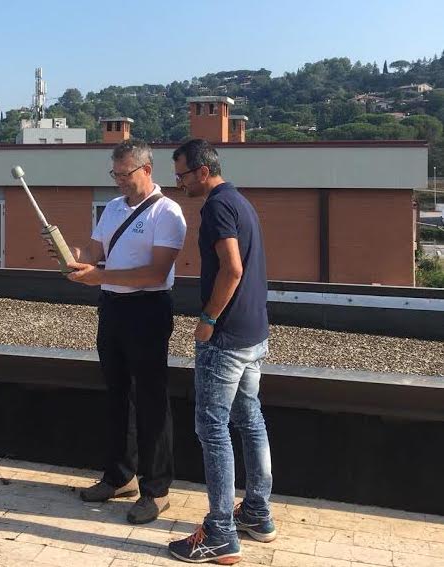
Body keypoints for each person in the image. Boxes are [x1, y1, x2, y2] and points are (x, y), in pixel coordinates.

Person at [57, 139, 187, 525]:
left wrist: (99, 276)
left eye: (125, 174)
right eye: (114, 174)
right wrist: (71, 257)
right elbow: (94, 254)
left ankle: (157, 489)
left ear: (146, 170)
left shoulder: (168, 212)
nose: (119, 181)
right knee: (117, 394)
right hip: (112, 306)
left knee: (150, 398)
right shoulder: (113, 208)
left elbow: (155, 273)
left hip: (148, 308)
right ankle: (119, 476)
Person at [167, 139, 276, 564]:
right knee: (250, 420)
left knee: (212, 429)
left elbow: (232, 268)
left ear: (202, 171)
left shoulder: (216, 207)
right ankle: (257, 513)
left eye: (182, 175)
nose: (179, 183)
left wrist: (208, 318)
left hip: (227, 338)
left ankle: (220, 533)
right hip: (254, 333)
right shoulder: (241, 202)